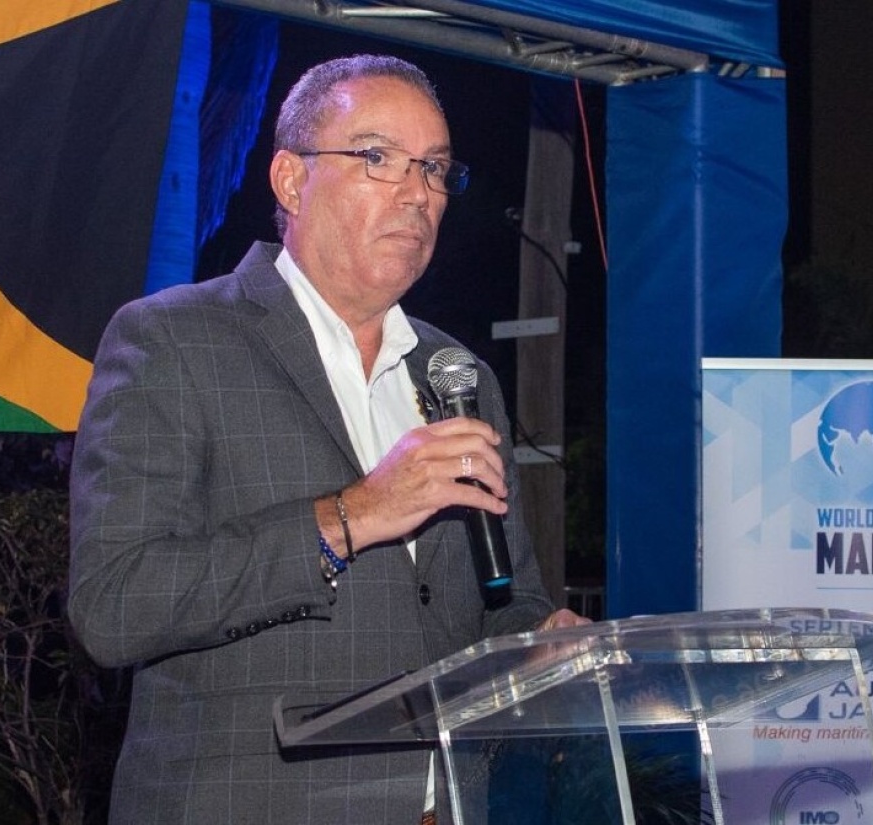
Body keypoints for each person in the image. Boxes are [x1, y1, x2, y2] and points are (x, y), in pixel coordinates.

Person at [68, 53, 587, 825]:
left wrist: (542, 643)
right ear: (289, 179)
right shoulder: (173, 340)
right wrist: (351, 515)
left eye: (436, 169)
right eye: (378, 158)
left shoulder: (459, 374)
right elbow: (115, 606)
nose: (417, 192)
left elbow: (503, 603)